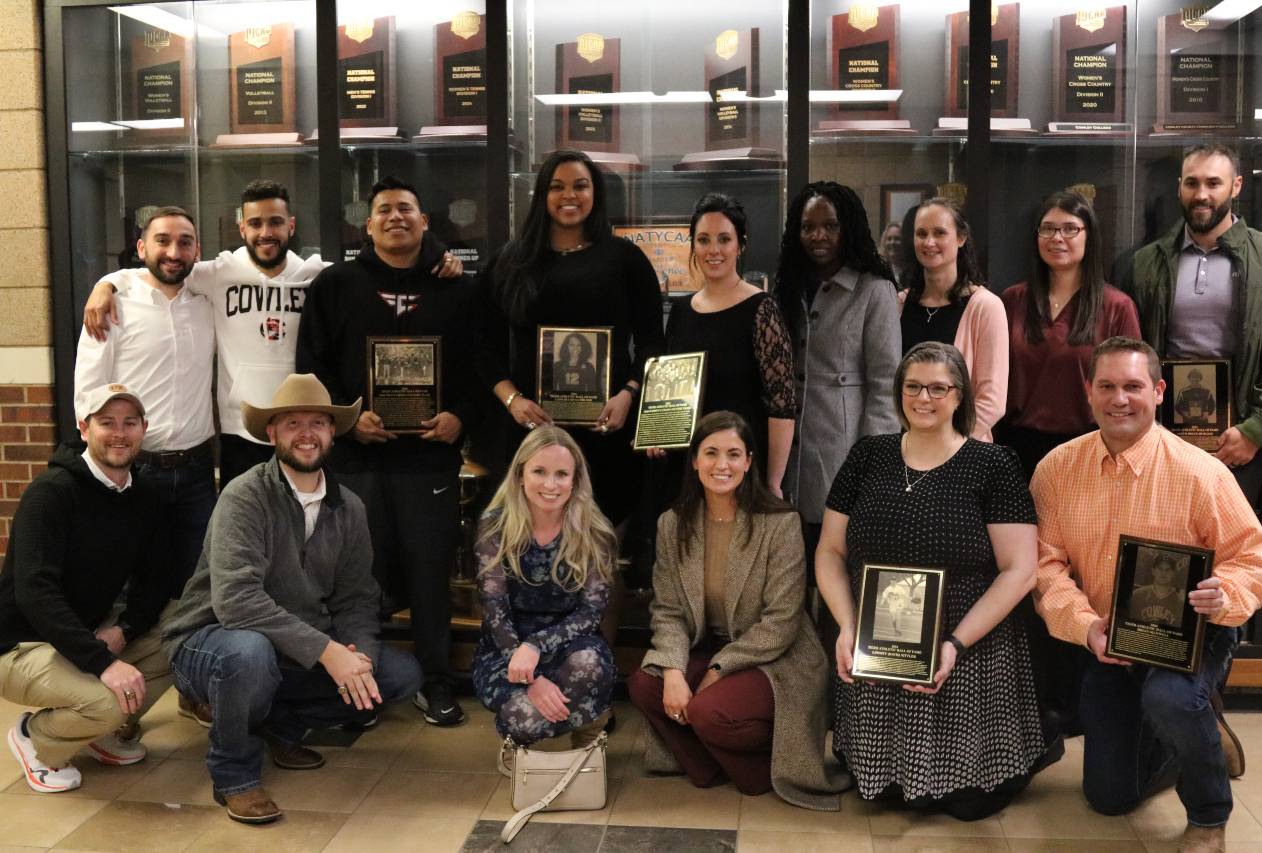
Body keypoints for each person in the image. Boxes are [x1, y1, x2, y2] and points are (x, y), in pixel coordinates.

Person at [1031, 336, 1262, 853]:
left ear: (1160, 391)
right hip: (1108, 639)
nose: (1119, 399)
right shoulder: (1056, 469)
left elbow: (1252, 561)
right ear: (1089, 392)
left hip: (1195, 636)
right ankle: (1199, 734)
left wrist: (1224, 593)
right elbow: (1045, 567)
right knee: (1109, 798)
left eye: (1133, 386)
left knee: (1171, 698)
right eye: (1107, 386)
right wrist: (1086, 628)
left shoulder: (1201, 472)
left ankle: (1209, 814)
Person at [162, 374, 423, 825]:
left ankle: (278, 726)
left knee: (398, 675)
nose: (307, 434)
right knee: (249, 653)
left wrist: (357, 655)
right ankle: (234, 774)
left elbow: (358, 597)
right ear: (272, 434)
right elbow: (236, 602)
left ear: (332, 432)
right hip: (209, 639)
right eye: (293, 423)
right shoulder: (244, 495)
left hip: (291, 647)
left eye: (317, 423)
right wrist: (328, 652)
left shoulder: (349, 507)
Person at [81, 181, 462, 487]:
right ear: (242, 228)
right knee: (247, 526)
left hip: (302, 427)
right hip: (240, 430)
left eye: (276, 222)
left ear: (291, 226)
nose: (266, 232)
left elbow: (374, 267)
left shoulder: (317, 275)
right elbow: (162, 270)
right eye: (256, 223)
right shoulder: (217, 273)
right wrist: (108, 283)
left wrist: (437, 255)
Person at [816, 342, 1056, 821]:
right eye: (912, 387)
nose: (923, 398)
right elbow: (830, 551)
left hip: (968, 644)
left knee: (968, 801)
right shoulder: (868, 456)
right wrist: (847, 626)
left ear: (959, 395)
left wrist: (954, 644)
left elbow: (1020, 570)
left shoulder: (994, 465)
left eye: (937, 388)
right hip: (878, 639)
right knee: (881, 794)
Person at [297, 175, 479, 727]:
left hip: (429, 461)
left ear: (424, 222)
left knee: (429, 575)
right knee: (357, 580)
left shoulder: (457, 288)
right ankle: (357, 683)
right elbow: (312, 366)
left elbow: (482, 363)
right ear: (367, 224)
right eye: (384, 210)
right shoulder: (335, 285)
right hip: (357, 462)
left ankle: (437, 682)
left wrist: (461, 415)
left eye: (406, 209)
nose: (395, 217)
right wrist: (348, 420)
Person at [627, 411, 849, 809]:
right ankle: (710, 764)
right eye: (711, 453)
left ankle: (762, 770)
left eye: (733, 454)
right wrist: (674, 670)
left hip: (777, 657)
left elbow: (781, 623)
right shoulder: (672, 524)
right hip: (709, 645)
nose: (722, 465)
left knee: (708, 711)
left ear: (748, 462)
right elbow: (668, 610)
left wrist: (717, 670)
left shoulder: (780, 523)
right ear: (695, 461)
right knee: (646, 684)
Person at [477, 149, 664, 527]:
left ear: (596, 193)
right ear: (542, 195)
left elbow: (652, 342)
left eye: (580, 186)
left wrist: (629, 394)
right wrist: (513, 401)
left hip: (607, 429)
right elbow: (482, 345)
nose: (569, 196)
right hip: (533, 428)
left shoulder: (626, 259)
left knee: (602, 537)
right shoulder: (511, 261)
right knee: (534, 535)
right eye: (557, 187)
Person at [1, 384, 171, 792]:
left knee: (179, 640)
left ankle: (94, 733)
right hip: (19, 644)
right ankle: (36, 738)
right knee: (107, 701)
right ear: (83, 427)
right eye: (106, 422)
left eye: (129, 423)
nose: (119, 433)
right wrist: (102, 663)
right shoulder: (52, 492)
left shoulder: (145, 495)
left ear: (144, 429)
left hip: (82, 634)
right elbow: (34, 591)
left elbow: (156, 580)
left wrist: (124, 631)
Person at [1121, 143, 1262, 568]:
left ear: (1236, 186)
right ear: (1179, 188)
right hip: (1161, 438)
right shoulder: (1146, 262)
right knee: (1163, 554)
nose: (1202, 194)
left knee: (1232, 558)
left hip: (1240, 439)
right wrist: (1145, 426)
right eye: (1192, 183)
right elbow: (1132, 350)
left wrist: (1258, 428)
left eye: (1214, 183)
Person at [73, 206, 216, 598]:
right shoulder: (113, 306)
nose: (173, 252)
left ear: (197, 250)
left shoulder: (207, 304)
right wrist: (102, 464)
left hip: (197, 471)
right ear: (141, 248)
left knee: (196, 582)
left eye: (184, 243)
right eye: (162, 241)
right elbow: (88, 390)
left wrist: (107, 280)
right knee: (127, 582)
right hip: (134, 469)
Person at [775, 181, 900, 553]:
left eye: (830, 226)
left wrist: (872, 464)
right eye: (808, 227)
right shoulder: (789, 286)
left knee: (837, 559)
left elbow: (886, 384)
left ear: (849, 228)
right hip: (788, 454)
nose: (818, 236)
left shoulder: (874, 289)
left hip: (842, 452)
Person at [471, 426, 616, 746]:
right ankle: (590, 712)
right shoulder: (494, 525)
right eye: (539, 471)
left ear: (575, 480)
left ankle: (589, 720)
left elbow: (591, 612)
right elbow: (493, 608)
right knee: (520, 720)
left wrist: (536, 644)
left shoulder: (596, 531)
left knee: (588, 664)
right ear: (520, 475)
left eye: (561, 474)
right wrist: (532, 678)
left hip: (572, 641)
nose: (551, 484)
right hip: (507, 646)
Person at [999, 190, 1142, 477]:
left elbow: (1133, 387)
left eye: (1070, 229)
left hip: (1090, 449)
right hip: (1015, 450)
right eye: (1048, 229)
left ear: (1089, 236)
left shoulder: (1117, 306)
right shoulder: (1012, 300)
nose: (1057, 238)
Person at [663, 193, 796, 498]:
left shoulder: (762, 309)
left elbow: (782, 406)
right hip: (688, 469)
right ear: (693, 245)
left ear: (741, 245)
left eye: (724, 239)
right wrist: (658, 434)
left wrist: (773, 482)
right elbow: (670, 394)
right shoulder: (680, 312)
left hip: (741, 468)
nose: (714, 250)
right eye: (703, 240)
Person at [897, 198, 1008, 442]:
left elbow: (992, 400)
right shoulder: (899, 304)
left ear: (961, 238)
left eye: (939, 233)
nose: (929, 242)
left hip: (962, 450)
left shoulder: (986, 307)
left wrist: (946, 447)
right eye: (921, 234)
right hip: (904, 447)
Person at [1127, 554, 1185, 628]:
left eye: (1168, 570)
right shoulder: (1136, 595)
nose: (1163, 573)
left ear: (1173, 574)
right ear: (1153, 571)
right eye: (1160, 569)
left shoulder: (1180, 603)